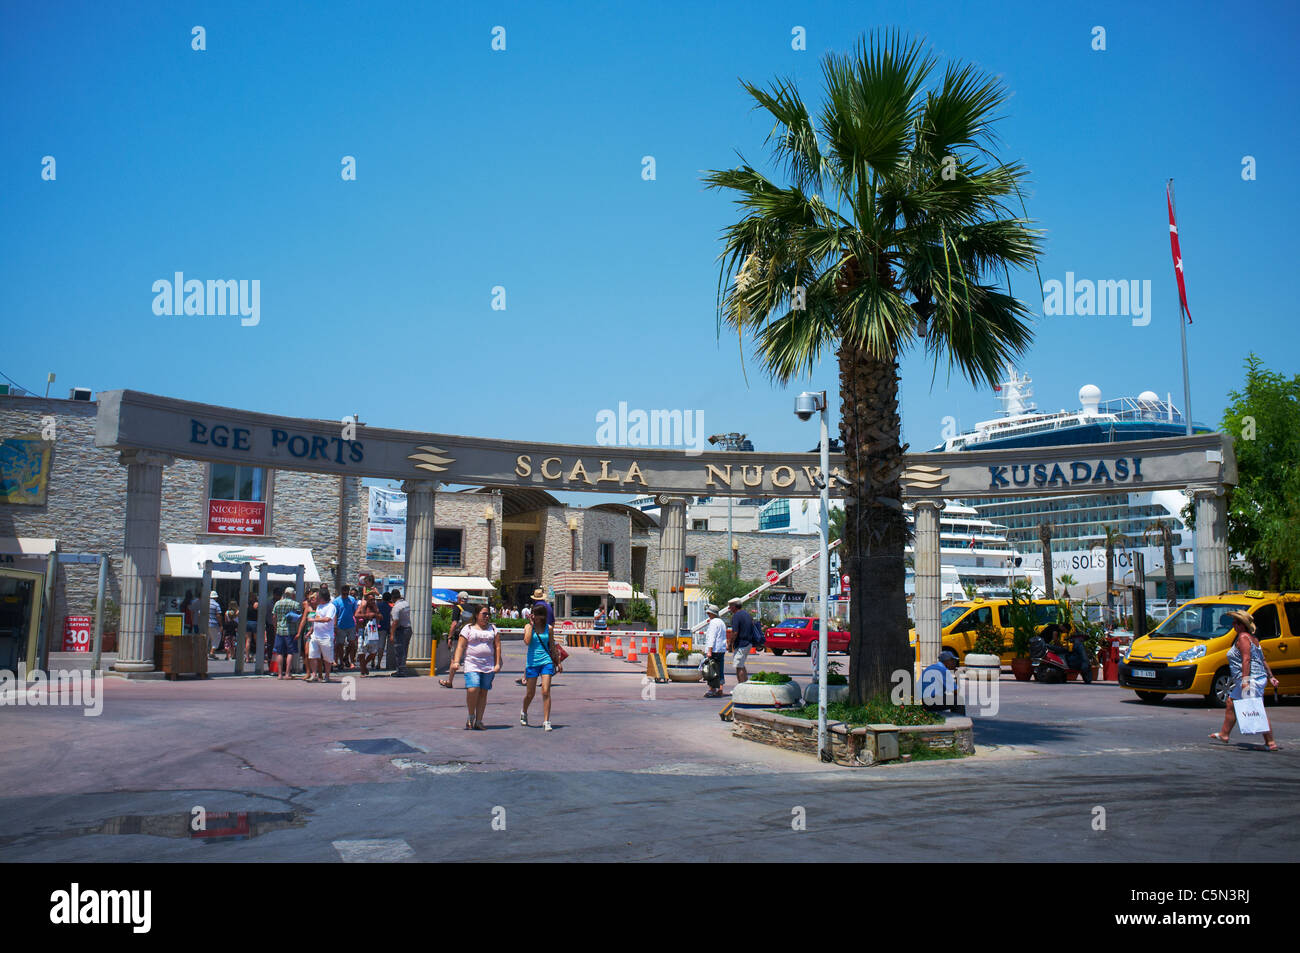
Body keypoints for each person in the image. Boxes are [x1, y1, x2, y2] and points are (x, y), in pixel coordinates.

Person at [1210, 610, 1280, 750]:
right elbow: (1262, 659)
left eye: (1235, 623)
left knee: (1257, 708)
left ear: (1242, 625)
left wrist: (1245, 680)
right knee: (1231, 702)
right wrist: (1271, 676)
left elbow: (1246, 659)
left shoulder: (1243, 637)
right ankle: (1224, 734)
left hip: (1251, 679)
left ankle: (1270, 742)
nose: (1233, 625)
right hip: (1256, 677)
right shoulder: (1252, 638)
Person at [450, 605, 501, 730]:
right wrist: (456, 661)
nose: (487, 616)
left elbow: (497, 646)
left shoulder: (492, 629)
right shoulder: (468, 628)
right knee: (473, 689)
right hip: (472, 663)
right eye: (484, 614)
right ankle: (471, 715)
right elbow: (461, 646)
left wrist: (497, 663)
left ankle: (479, 720)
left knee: (483, 692)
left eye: (488, 614)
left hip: (488, 665)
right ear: (477, 615)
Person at [520, 603, 557, 731]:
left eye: (538, 615)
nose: (535, 617)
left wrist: (557, 661)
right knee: (530, 693)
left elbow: (552, 646)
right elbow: (527, 641)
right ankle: (524, 711)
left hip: (546, 661)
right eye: (533, 614)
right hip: (532, 662)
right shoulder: (528, 627)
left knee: (546, 691)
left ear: (543, 616)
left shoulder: (549, 628)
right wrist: (531, 625)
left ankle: (547, 720)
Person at [438, 591, 473, 688]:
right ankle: (470, 682)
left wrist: (449, 637)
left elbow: (454, 624)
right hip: (471, 637)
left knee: (454, 660)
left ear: (459, 599)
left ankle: (449, 681)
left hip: (459, 637)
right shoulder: (473, 609)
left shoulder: (457, 608)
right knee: (469, 660)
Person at [306, 586, 336, 683]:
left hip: (326, 636)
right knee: (312, 655)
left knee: (327, 657)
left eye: (318, 596)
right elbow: (317, 619)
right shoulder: (319, 606)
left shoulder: (331, 607)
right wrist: (311, 630)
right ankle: (314, 675)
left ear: (322, 597)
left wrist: (313, 619)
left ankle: (327, 676)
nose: (316, 598)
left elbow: (327, 619)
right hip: (316, 635)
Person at [727, 597, 759, 684]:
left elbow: (735, 632)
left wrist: (730, 644)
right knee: (741, 665)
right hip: (748, 643)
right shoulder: (747, 614)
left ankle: (741, 686)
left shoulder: (736, 616)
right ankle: (745, 684)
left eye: (730, 606)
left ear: (734, 606)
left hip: (741, 644)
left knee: (738, 666)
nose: (729, 608)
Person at [271, 586, 300, 680]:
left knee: (279, 652)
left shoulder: (277, 603)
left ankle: (279, 674)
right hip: (291, 631)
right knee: (290, 652)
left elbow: (274, 617)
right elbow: (298, 617)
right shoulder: (295, 604)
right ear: (292, 594)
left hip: (280, 630)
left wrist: (275, 627)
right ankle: (287, 673)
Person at [702, 604, 728, 698]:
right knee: (720, 670)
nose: (708, 615)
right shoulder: (721, 622)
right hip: (721, 649)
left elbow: (712, 638)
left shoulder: (713, 623)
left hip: (714, 650)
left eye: (709, 613)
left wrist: (709, 650)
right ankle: (720, 689)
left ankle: (712, 689)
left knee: (711, 671)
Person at [355, 590, 381, 676]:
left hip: (372, 631)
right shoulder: (362, 607)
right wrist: (366, 616)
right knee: (362, 651)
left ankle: (364, 665)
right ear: (367, 600)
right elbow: (356, 615)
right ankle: (363, 670)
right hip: (363, 630)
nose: (373, 601)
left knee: (373, 652)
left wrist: (375, 615)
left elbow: (381, 616)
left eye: (374, 599)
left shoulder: (375, 607)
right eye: (371, 600)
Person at [333, 585, 359, 670]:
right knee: (340, 645)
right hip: (340, 626)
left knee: (352, 644)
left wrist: (357, 624)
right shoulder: (336, 601)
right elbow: (335, 615)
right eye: (344, 593)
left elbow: (355, 612)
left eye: (346, 593)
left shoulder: (352, 600)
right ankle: (341, 662)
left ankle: (351, 661)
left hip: (351, 625)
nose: (345, 594)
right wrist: (335, 626)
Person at [388, 589, 412, 677]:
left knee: (399, 651)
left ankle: (400, 671)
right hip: (408, 628)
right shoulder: (406, 604)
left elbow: (395, 621)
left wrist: (392, 634)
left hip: (400, 630)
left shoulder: (396, 607)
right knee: (404, 650)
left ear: (393, 598)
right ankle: (402, 669)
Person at [375, 590, 393, 670]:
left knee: (374, 645)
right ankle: (378, 663)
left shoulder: (377, 605)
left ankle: (372, 661)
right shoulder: (390, 608)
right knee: (381, 646)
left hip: (375, 627)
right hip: (385, 628)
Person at [244, 594, 260, 664]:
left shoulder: (247, 604)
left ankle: (247, 657)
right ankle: (258, 657)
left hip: (247, 622)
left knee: (248, 640)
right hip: (255, 622)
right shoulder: (256, 604)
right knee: (257, 640)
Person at [207, 589, 223, 659]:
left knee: (206, 638)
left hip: (205, 624)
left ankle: (204, 653)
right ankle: (212, 652)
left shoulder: (205, 603)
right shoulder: (216, 604)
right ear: (215, 597)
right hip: (214, 624)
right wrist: (221, 624)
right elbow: (218, 615)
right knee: (217, 637)